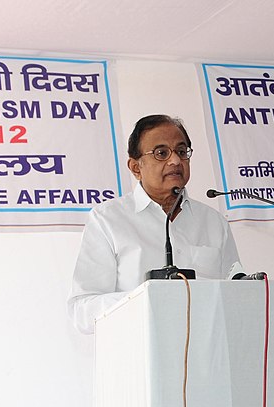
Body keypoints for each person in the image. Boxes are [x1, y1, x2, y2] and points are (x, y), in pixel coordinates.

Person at [67, 114, 242, 334]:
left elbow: (237, 297)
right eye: (161, 153)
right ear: (135, 167)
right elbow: (82, 310)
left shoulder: (214, 222)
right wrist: (146, 300)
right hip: (139, 359)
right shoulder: (108, 219)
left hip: (207, 357)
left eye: (181, 151)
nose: (175, 161)